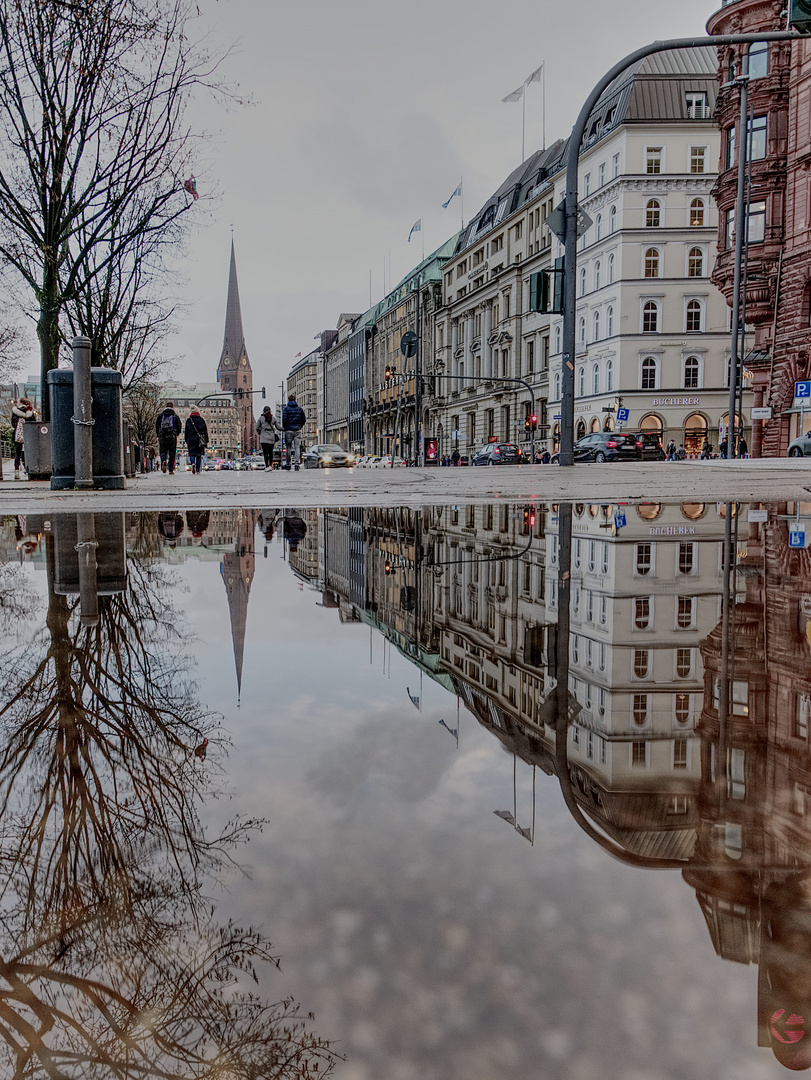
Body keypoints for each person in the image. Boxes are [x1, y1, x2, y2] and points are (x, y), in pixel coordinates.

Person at [11, 397, 35, 480]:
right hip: (28, 435)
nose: (16, 403)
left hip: (17, 436)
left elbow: (13, 424)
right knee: (27, 452)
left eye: (17, 402)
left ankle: (16, 471)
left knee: (18, 453)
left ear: (21, 403)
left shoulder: (15, 412)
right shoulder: (30, 412)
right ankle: (28, 469)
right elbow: (33, 423)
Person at [155, 402, 182, 474]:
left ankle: (163, 461)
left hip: (162, 436)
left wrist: (158, 435)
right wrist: (176, 433)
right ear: (172, 407)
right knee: (172, 453)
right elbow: (179, 426)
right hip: (172, 437)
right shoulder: (175, 416)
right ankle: (170, 469)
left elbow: (157, 426)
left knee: (163, 452)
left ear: (165, 407)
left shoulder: (160, 416)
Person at [281, 393, 306, 470]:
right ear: (295, 400)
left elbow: (284, 420)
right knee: (297, 447)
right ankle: (296, 463)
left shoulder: (286, 409)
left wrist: (285, 427)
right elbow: (303, 420)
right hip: (297, 430)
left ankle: (288, 463)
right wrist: (299, 426)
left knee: (288, 447)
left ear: (288, 400)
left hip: (288, 430)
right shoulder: (300, 409)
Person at [184, 408, 208, 473]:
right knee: (198, 455)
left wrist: (186, 439)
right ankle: (197, 469)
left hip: (191, 440)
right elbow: (205, 431)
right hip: (199, 440)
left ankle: (192, 463)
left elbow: (186, 431)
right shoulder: (201, 420)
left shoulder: (189, 420)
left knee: (191, 453)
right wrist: (206, 440)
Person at [256, 406, 279, 470]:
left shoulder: (261, 418)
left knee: (265, 452)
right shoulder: (273, 418)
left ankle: (266, 466)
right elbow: (278, 427)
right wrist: (285, 429)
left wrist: (260, 432)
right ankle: (271, 465)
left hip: (263, 438)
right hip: (271, 438)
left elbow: (256, 427)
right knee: (271, 452)